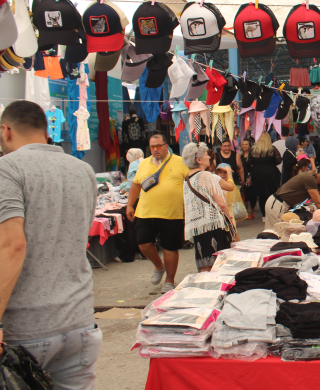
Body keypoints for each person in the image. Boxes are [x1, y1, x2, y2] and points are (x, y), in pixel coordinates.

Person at [0, 100, 101, 388]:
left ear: (6, 131)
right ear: (46, 132)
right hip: (79, 321)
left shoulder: (7, 169)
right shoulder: (83, 170)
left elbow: (12, 246)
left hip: (26, 329)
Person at [126, 132, 190, 292]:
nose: (155, 149)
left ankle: (169, 280)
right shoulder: (144, 163)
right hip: (145, 212)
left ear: (166, 146)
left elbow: (192, 180)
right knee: (143, 243)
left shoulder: (180, 162)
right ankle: (159, 266)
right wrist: (130, 205)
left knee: (170, 247)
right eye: (152, 147)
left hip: (172, 214)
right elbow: (136, 184)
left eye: (158, 146)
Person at [182, 143, 235, 271]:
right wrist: (229, 218)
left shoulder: (187, 179)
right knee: (220, 264)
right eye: (206, 155)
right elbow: (221, 203)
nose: (209, 157)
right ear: (198, 160)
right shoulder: (206, 176)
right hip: (213, 225)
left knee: (204, 264)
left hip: (198, 227)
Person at [249, 132, 282, 224]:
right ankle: (272, 213)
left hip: (257, 173)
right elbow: (278, 160)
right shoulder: (272, 149)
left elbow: (249, 161)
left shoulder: (253, 150)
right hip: (270, 172)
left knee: (261, 195)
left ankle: (264, 215)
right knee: (272, 194)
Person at [239, 138, 256, 219]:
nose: (244, 146)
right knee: (245, 194)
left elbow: (253, 167)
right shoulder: (240, 155)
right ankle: (246, 210)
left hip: (251, 176)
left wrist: (250, 178)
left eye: (246, 144)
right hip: (243, 177)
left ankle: (251, 212)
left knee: (252, 194)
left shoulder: (252, 155)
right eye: (243, 144)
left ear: (250, 146)